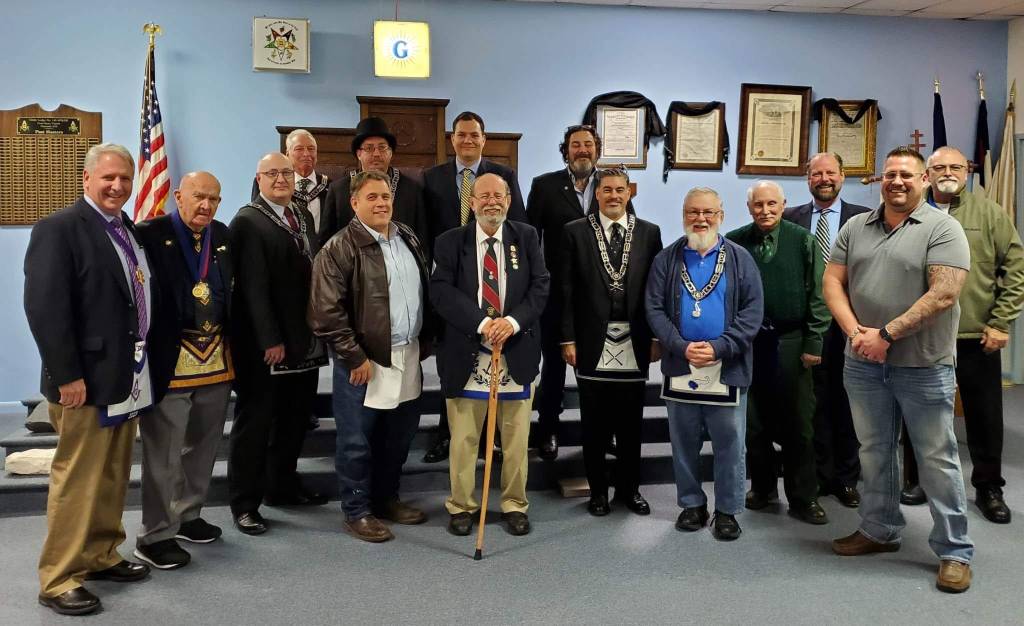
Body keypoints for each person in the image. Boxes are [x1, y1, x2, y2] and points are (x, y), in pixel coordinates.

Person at [823, 146, 974, 593]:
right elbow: (832, 281)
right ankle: (879, 529)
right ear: (880, 179)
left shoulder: (942, 228)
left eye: (907, 174)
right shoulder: (856, 226)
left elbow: (944, 293)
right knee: (874, 450)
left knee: (936, 457)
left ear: (924, 179)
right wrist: (856, 333)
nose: (897, 181)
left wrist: (885, 335)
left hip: (922, 365)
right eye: (890, 174)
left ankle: (954, 551)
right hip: (863, 364)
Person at [25, 143, 153, 615]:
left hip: (125, 375)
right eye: (108, 178)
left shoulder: (126, 229)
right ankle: (59, 578)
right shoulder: (59, 228)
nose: (117, 186)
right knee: (78, 479)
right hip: (83, 382)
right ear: (86, 178)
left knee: (113, 474)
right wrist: (67, 375)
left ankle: (101, 554)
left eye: (125, 178)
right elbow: (45, 308)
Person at [899, 146, 1024, 524]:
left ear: (967, 172)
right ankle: (917, 479)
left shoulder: (989, 214)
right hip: (920, 335)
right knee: (919, 412)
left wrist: (1001, 322)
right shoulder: (908, 213)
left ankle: (989, 487)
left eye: (955, 167)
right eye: (939, 167)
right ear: (927, 174)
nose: (948, 173)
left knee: (984, 416)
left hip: (974, 335)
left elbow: (1016, 268)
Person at [309, 171, 434, 542]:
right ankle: (357, 510)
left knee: (398, 436)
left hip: (407, 354)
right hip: (364, 361)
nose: (381, 203)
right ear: (354, 203)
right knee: (356, 442)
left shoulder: (407, 236)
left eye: (385, 197)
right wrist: (353, 356)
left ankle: (386, 498)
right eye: (372, 197)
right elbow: (324, 313)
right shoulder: (338, 248)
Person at [430, 173, 549, 537]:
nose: (492, 202)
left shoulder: (526, 237)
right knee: (464, 439)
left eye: (499, 195)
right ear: (472, 202)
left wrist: (511, 322)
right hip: (467, 352)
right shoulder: (450, 242)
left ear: (509, 200)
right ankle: (462, 505)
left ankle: (514, 504)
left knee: (515, 440)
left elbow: (540, 286)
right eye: (484, 196)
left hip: (516, 351)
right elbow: (441, 291)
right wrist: (483, 323)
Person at [646, 187, 763, 541]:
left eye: (708, 212)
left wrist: (719, 347)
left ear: (721, 216)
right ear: (684, 215)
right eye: (693, 212)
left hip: (727, 368)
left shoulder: (740, 259)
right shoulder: (666, 259)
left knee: (731, 444)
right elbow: (654, 308)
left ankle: (727, 510)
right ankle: (692, 505)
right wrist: (681, 346)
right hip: (680, 366)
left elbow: (752, 311)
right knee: (683, 442)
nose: (701, 219)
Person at [133, 172, 234, 569]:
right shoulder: (150, 234)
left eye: (214, 198)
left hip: (216, 358)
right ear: (178, 196)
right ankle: (155, 535)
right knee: (165, 453)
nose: (206, 205)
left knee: (204, 447)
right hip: (170, 358)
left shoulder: (221, 234)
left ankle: (188, 514)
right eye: (198, 196)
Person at [228, 152, 328, 536]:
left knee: (294, 419)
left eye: (286, 173)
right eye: (273, 173)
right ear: (259, 179)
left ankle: (282, 486)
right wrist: (269, 338)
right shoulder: (247, 221)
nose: (281, 179)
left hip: (303, 338)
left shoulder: (300, 213)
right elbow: (251, 287)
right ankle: (244, 504)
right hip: (265, 345)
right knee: (256, 424)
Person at [421, 111, 528, 463]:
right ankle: (446, 434)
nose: (468, 140)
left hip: (494, 277)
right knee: (454, 361)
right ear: (452, 139)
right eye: (461, 135)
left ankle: (490, 435)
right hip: (453, 282)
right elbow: (425, 228)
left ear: (484, 139)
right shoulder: (432, 177)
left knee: (496, 364)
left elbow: (519, 225)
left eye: (474, 135)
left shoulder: (503, 175)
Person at [727, 181, 831, 525]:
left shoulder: (803, 240)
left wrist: (814, 342)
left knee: (799, 424)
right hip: (749, 344)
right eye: (758, 205)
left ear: (783, 205)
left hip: (792, 342)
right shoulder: (734, 242)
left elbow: (819, 294)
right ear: (749, 208)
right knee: (753, 423)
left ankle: (803, 497)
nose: (765, 210)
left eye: (772, 204)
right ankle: (762, 488)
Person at [560, 167, 662, 516]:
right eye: (607, 190)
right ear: (597, 194)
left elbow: (656, 290)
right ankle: (598, 492)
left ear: (629, 192)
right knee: (594, 424)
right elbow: (565, 290)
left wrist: (655, 335)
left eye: (620, 189)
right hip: (591, 340)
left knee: (631, 424)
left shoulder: (649, 232)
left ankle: (629, 490)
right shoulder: (575, 231)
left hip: (635, 339)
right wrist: (567, 338)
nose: (614, 196)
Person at [527, 124, 631, 460]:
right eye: (576, 145)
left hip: (601, 297)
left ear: (596, 150)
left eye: (588, 144)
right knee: (554, 368)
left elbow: (627, 235)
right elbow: (530, 237)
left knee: (603, 370)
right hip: (556, 294)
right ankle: (548, 429)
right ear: (566, 150)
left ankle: (606, 432)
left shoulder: (611, 185)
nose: (582, 150)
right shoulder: (544, 186)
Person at [784, 152, 871, 508]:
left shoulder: (864, 218)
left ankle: (847, 478)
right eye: (816, 174)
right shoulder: (790, 218)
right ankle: (819, 475)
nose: (824, 179)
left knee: (849, 401)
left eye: (830, 173)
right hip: (809, 327)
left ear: (842, 175)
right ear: (808, 179)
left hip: (851, 324)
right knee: (813, 402)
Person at [319, 117, 428, 248]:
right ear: (359, 154)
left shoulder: (412, 190)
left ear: (390, 153)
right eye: (369, 148)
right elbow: (326, 242)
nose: (376, 154)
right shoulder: (338, 190)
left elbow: (422, 241)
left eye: (382, 148)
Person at [250, 129, 332, 234]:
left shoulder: (330, 186)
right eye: (299, 149)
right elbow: (258, 217)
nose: (306, 154)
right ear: (287, 154)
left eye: (311, 149)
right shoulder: (269, 184)